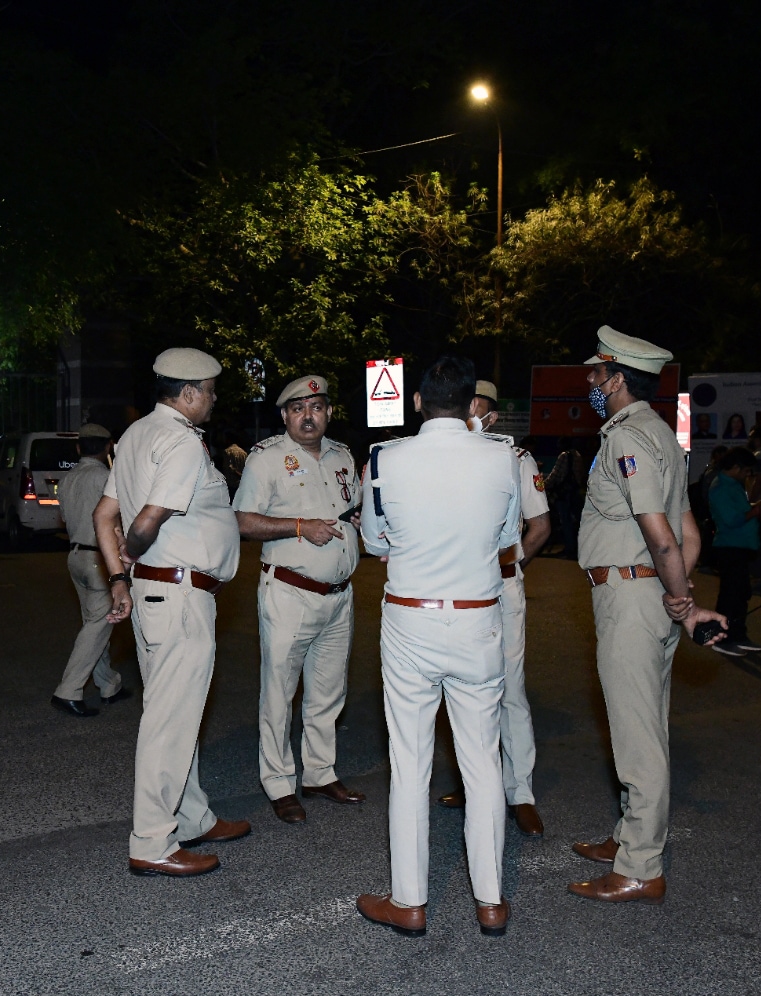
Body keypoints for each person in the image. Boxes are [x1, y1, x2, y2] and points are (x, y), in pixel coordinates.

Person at [355, 356, 523, 938]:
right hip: (478, 619)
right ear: (471, 400)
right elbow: (507, 539)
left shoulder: (384, 459)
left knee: (410, 763)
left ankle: (410, 900)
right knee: (482, 761)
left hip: (410, 620)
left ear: (420, 401)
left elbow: (374, 539)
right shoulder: (504, 457)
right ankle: (491, 900)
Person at [572, 327, 728, 906]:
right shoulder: (663, 435)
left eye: (595, 374)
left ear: (616, 380)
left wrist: (679, 602)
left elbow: (663, 538)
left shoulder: (626, 439)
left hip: (633, 598)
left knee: (636, 734)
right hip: (651, 597)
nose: (589, 382)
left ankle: (640, 866)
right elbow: (690, 535)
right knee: (646, 722)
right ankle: (627, 836)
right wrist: (680, 602)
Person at [94, 348, 251, 878]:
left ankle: (192, 816)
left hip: (155, 596)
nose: (212, 398)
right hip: (178, 595)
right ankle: (152, 842)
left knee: (177, 711)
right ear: (186, 393)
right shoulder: (181, 443)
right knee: (168, 721)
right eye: (208, 390)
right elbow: (144, 522)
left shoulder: (135, 436)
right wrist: (136, 557)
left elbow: (103, 515)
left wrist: (120, 577)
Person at [232, 375, 365, 825]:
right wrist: (297, 526)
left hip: (338, 596)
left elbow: (353, 511)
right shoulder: (267, 460)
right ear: (285, 415)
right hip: (289, 593)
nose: (308, 416)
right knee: (279, 693)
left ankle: (320, 773)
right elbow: (243, 521)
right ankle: (278, 783)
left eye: (317, 407)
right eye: (298, 408)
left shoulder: (343, 456)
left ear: (329, 412)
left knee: (329, 692)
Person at [436, 380, 551, 838]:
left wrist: (509, 560)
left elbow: (540, 525)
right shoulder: (441, 459)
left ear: (492, 416)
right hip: (456, 589)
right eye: (466, 408)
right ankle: (473, 783)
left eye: (479, 410)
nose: (471, 417)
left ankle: (519, 791)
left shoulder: (514, 459)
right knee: (462, 689)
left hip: (501, 589)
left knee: (510, 690)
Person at [50, 424, 130, 717]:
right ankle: (68, 690)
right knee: (98, 624)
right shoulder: (106, 479)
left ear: (79, 447)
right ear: (108, 447)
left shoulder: (68, 479)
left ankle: (109, 684)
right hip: (99, 559)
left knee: (94, 622)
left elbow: (63, 517)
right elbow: (116, 522)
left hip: (74, 555)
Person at [707, 448, 761, 656]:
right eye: (746, 471)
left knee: (740, 594)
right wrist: (755, 511)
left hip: (739, 546)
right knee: (730, 596)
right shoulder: (721, 487)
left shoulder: (732, 485)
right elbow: (732, 519)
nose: (747, 475)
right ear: (737, 468)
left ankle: (738, 635)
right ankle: (723, 639)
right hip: (730, 547)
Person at [546, 437, 586, 559]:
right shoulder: (577, 455)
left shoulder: (564, 455)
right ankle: (577, 548)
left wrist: (545, 485)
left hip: (564, 493)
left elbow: (556, 474)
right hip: (575, 491)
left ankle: (569, 548)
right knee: (575, 520)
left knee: (565, 521)